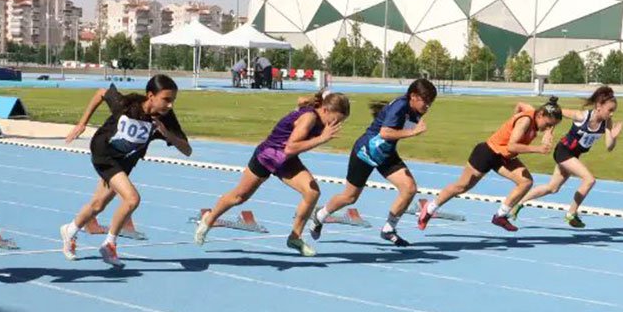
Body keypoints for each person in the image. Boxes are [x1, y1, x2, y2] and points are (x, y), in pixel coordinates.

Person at [195, 91, 350, 256]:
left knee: (312, 192)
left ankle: (295, 237)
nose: (336, 124)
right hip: (267, 155)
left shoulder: (320, 118)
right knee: (240, 197)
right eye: (336, 119)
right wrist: (321, 139)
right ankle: (209, 219)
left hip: (287, 160)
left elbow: (290, 149)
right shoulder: (310, 118)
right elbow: (290, 147)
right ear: (325, 110)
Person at [61, 75, 191, 268]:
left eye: (173, 100)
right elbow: (100, 93)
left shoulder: (165, 119)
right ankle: (109, 244)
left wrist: (166, 133)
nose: (170, 105)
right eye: (166, 99)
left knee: (98, 204)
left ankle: (69, 230)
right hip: (103, 153)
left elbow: (187, 150)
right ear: (150, 96)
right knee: (132, 199)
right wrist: (82, 124)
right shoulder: (127, 104)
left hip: (125, 161)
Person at [309, 78, 437, 247]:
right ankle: (320, 215)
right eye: (425, 102)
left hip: (385, 154)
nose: (427, 107)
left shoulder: (415, 110)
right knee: (349, 197)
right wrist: (413, 132)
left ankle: (388, 229)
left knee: (409, 188)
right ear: (413, 96)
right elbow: (385, 133)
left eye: (430, 103)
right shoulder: (400, 106)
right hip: (366, 152)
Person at [417, 97, 564, 232]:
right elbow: (512, 146)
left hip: (503, 158)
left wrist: (546, 131)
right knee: (461, 187)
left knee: (525, 182)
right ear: (540, 115)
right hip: (487, 153)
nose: (547, 128)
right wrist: (537, 148)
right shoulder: (525, 121)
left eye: (552, 126)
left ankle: (500, 216)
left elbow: (520, 104)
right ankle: (429, 209)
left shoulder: (534, 112)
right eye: (548, 125)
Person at [511, 86, 622, 227]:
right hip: (563, 151)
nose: (612, 114)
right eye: (610, 110)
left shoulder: (607, 123)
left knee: (552, 188)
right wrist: (548, 131)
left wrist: (613, 136)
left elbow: (609, 147)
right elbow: (555, 113)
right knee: (589, 180)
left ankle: (518, 204)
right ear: (599, 106)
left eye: (614, 111)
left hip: (574, 155)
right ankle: (571, 214)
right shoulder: (582, 116)